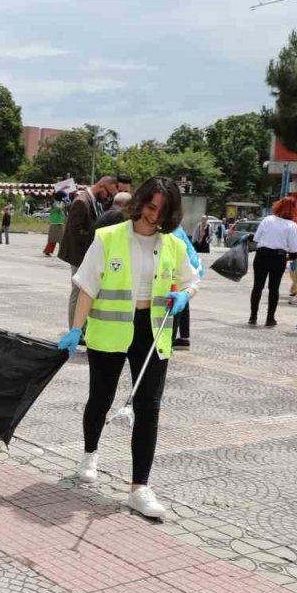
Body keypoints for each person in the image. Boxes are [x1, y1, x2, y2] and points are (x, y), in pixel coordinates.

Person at [57, 176, 199, 522]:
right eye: (150, 207)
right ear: (140, 202)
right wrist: (77, 328)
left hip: (152, 332)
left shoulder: (173, 244)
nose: (154, 216)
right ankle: (90, 453)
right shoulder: (108, 237)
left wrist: (185, 294)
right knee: (101, 398)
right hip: (110, 330)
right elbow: (88, 286)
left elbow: (192, 278)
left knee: (149, 407)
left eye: (162, 211)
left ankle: (140, 488)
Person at [58, 175, 125, 331]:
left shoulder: (93, 201)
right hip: (78, 254)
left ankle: (81, 327)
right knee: (78, 292)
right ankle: (75, 329)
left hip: (85, 254)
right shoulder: (82, 202)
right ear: (101, 186)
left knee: (86, 290)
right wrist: (95, 240)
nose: (108, 197)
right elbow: (75, 231)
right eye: (108, 193)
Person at [248, 198, 297, 327]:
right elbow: (295, 249)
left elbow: (257, 238)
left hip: (262, 254)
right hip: (278, 257)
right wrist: (291, 259)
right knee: (274, 288)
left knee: (258, 286)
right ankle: (270, 318)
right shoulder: (292, 225)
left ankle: (253, 317)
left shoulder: (267, 220)